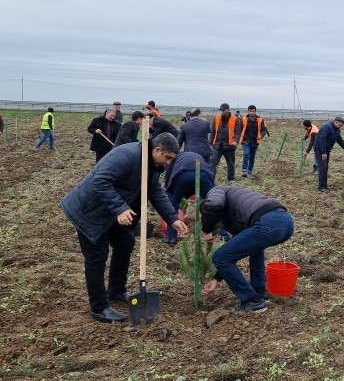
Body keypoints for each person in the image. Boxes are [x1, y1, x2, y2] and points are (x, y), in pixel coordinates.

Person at [60, 133, 186, 322]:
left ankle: (116, 290)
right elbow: (100, 181)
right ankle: (99, 307)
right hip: (89, 211)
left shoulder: (150, 165)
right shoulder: (126, 156)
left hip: (109, 211)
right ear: (157, 149)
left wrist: (172, 219)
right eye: (167, 158)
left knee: (126, 242)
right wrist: (120, 208)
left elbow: (155, 192)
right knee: (97, 256)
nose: (168, 163)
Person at [200, 186, 294, 313]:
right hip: (286, 222)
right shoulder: (237, 210)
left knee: (219, 257)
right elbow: (235, 252)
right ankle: (259, 292)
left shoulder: (216, 192)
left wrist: (207, 229)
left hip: (269, 223)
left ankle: (252, 301)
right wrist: (217, 279)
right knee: (255, 248)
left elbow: (213, 204)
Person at [163, 151, 216, 245]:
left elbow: (168, 177)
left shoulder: (175, 160)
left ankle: (171, 238)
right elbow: (210, 170)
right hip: (203, 174)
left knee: (173, 204)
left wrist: (170, 192)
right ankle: (223, 233)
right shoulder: (196, 156)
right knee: (213, 202)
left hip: (183, 175)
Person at [313, 116, 344, 192]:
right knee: (323, 167)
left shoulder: (337, 130)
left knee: (325, 167)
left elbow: (340, 141)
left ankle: (324, 184)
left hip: (327, 150)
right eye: (340, 125)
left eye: (341, 126)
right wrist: (323, 152)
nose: (340, 127)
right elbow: (322, 139)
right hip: (320, 149)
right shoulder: (326, 127)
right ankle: (322, 187)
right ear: (336, 122)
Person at [210, 103, 241, 182]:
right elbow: (213, 132)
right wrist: (210, 143)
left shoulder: (235, 119)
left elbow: (238, 132)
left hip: (230, 146)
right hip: (218, 145)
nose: (222, 112)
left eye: (223, 110)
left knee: (231, 164)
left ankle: (231, 179)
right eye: (221, 110)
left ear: (227, 110)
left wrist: (236, 141)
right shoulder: (217, 118)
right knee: (213, 163)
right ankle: (210, 179)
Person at [238, 105, 268, 178]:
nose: (252, 112)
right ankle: (244, 170)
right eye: (250, 111)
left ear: (255, 111)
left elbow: (264, 129)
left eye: (253, 111)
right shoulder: (243, 119)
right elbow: (239, 129)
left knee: (252, 156)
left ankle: (249, 171)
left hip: (255, 141)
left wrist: (261, 135)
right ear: (248, 111)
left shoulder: (260, 120)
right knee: (247, 154)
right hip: (245, 140)